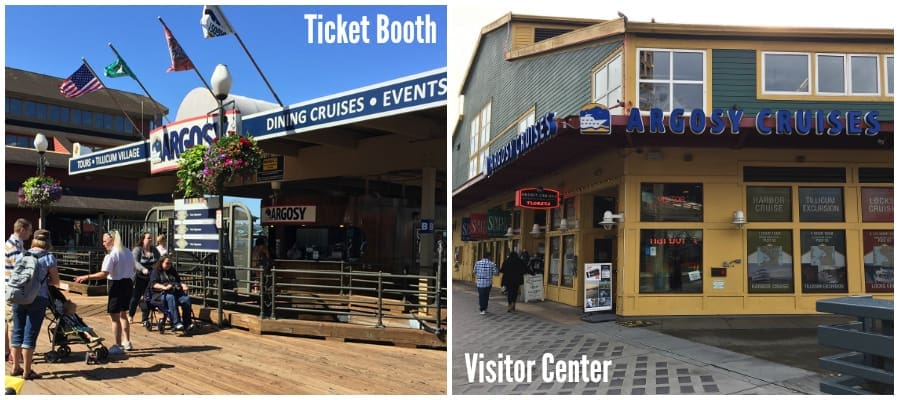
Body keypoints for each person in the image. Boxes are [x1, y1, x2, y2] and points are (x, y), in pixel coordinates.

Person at [75, 230, 136, 354]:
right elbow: (134, 268)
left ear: (112, 240)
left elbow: (104, 274)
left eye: (105, 241)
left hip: (116, 285)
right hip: (128, 284)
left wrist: (86, 277)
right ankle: (127, 342)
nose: (103, 243)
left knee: (115, 317)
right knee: (124, 314)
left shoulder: (112, 255)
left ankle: (118, 345)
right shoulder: (128, 252)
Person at [10, 229, 60, 380]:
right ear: (48, 242)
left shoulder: (21, 254)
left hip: (18, 296)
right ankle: (27, 371)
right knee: (30, 335)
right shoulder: (49, 257)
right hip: (38, 298)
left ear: (34, 240)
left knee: (17, 331)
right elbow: (56, 281)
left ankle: (15, 367)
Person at [5, 218, 32, 363]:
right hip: (13, 291)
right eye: (29, 230)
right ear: (22, 229)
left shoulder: (12, 245)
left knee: (6, 321)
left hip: (6, 289)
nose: (30, 234)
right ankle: (14, 356)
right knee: (13, 323)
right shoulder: (15, 248)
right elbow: (19, 270)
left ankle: (5, 351)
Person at [149, 255, 192, 332]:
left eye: (170, 263)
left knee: (186, 299)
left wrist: (183, 285)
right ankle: (176, 323)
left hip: (174, 292)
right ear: (161, 263)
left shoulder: (172, 270)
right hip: (159, 294)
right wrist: (164, 287)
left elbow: (178, 281)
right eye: (167, 263)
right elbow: (154, 284)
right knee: (170, 297)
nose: (169, 265)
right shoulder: (156, 271)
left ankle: (187, 324)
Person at [130, 232, 159, 327]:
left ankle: (145, 319)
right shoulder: (137, 249)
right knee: (135, 297)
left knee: (147, 297)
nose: (150, 240)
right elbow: (134, 262)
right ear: (143, 239)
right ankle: (131, 314)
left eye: (151, 238)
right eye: (148, 238)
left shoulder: (154, 250)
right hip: (139, 276)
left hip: (150, 276)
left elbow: (159, 260)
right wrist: (143, 269)